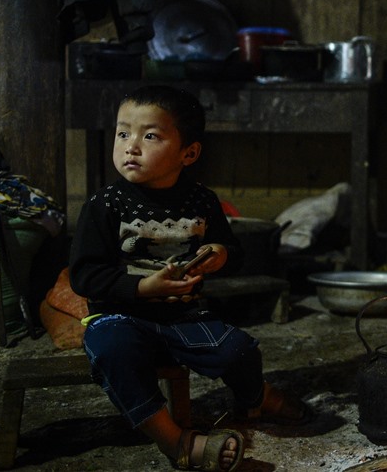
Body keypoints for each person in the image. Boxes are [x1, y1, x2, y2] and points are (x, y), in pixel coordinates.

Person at [69, 85, 307, 471]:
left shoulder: (201, 200)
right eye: (123, 132)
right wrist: (144, 287)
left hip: (185, 317)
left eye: (150, 136)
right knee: (111, 351)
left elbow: (230, 250)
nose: (131, 146)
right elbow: (85, 275)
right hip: (120, 319)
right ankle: (175, 439)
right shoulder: (105, 204)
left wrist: (219, 253)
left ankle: (253, 399)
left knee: (241, 350)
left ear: (189, 153)